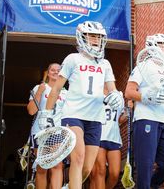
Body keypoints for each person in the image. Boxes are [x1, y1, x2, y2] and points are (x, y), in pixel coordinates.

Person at [38, 21, 124, 189]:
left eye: (99, 37)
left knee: (87, 168)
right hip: (73, 114)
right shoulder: (73, 59)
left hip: (95, 118)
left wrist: (116, 98)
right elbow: (56, 89)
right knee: (77, 158)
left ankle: (69, 187)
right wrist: (46, 114)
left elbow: (112, 89)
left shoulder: (105, 64)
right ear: (82, 37)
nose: (96, 40)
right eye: (92, 36)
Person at [125, 34, 164, 189]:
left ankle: (151, 186)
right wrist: (145, 97)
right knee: (145, 165)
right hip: (147, 119)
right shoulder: (143, 66)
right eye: (163, 46)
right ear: (152, 46)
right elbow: (129, 92)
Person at [27, 63, 68, 189]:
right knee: (42, 166)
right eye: (52, 70)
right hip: (40, 131)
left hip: (58, 132)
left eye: (58, 70)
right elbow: (31, 111)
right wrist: (39, 92)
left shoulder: (67, 93)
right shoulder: (39, 87)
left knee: (57, 165)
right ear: (48, 72)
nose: (55, 72)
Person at [89, 87, 127, 189]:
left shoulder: (119, 95)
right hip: (98, 137)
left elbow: (119, 119)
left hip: (114, 138)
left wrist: (128, 111)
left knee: (115, 174)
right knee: (99, 171)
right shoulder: (94, 93)